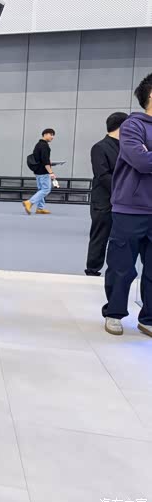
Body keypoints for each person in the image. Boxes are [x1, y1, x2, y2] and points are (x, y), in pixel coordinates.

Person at [102, 73, 152, 338]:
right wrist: (145, 155)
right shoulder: (133, 126)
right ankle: (114, 313)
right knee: (122, 266)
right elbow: (141, 162)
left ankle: (148, 319)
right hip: (130, 209)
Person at [85, 112, 128, 277]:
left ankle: (116, 270)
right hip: (104, 200)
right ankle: (92, 269)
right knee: (100, 236)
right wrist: (123, 191)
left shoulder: (127, 147)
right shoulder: (99, 147)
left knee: (121, 239)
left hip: (124, 201)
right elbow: (102, 175)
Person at [23, 129, 56, 215]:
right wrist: (51, 173)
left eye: (53, 135)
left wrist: (49, 162)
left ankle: (40, 208)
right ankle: (29, 202)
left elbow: (40, 159)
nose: (52, 137)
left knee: (41, 189)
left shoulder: (38, 144)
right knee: (46, 189)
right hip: (43, 171)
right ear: (45, 134)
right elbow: (45, 161)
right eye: (51, 134)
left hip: (38, 171)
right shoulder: (45, 146)